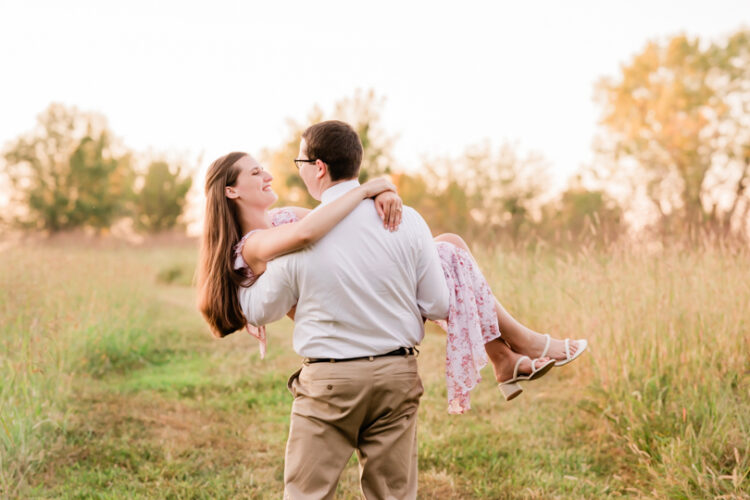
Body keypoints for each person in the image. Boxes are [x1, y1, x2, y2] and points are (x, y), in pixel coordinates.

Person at [196, 120, 587, 496]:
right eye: (255, 172)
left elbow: (327, 222)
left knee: (307, 493)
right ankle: (517, 348)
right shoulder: (267, 241)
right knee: (449, 246)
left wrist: (377, 195)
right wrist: (372, 189)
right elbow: (308, 236)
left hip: (333, 374)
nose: (269, 174)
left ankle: (508, 353)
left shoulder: (290, 221)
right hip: (390, 369)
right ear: (231, 192)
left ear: (318, 168)